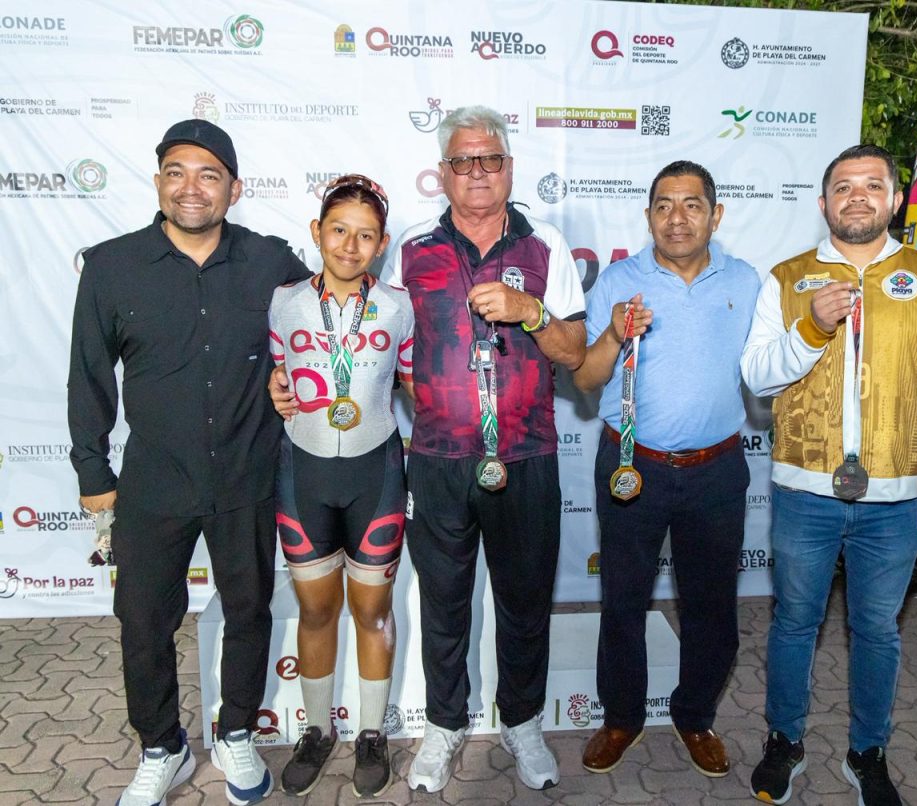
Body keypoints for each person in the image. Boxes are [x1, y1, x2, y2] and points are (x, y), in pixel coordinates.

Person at [67, 119, 310, 806]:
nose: (191, 187)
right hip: (154, 482)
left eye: (208, 174)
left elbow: (322, 330)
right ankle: (162, 746)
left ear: (234, 188)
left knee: (249, 611)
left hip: (246, 477)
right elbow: (89, 375)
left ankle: (237, 733)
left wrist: (288, 380)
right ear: (157, 183)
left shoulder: (271, 261)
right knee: (144, 620)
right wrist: (92, 473)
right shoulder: (112, 266)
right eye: (176, 172)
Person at [741, 144, 917, 806]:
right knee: (795, 622)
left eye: (872, 185)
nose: (857, 196)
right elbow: (756, 375)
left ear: (895, 199)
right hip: (804, 492)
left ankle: (867, 752)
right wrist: (811, 328)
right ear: (823, 202)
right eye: (843, 186)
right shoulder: (788, 278)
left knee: (878, 630)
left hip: (896, 497)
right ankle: (784, 741)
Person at [385, 104, 585, 793]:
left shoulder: (545, 245)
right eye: (463, 160)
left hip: (526, 457)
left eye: (490, 159)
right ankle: (444, 725)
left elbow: (575, 350)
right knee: (444, 603)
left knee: (524, 603)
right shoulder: (410, 248)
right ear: (442, 173)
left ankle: (522, 721)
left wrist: (532, 312)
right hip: (437, 460)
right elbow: (386, 347)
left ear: (509, 168)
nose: (478, 171)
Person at [573, 161, 760, 779]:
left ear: (716, 214)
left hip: (716, 470)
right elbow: (586, 378)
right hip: (632, 466)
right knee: (623, 600)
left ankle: (695, 716)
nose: (677, 218)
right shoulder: (618, 280)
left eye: (691, 204)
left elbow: (769, 367)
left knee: (712, 607)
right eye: (663, 205)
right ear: (648, 214)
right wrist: (613, 335)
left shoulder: (746, 281)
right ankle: (621, 718)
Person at [269, 174, 413, 798]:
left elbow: (415, 385)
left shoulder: (399, 306)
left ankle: (372, 734)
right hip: (302, 473)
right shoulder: (284, 302)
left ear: (382, 244)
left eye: (366, 236)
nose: (350, 246)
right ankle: (318, 730)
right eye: (338, 230)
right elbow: (278, 372)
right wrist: (276, 386)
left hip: (374, 473)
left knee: (372, 611)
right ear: (316, 232)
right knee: (316, 609)